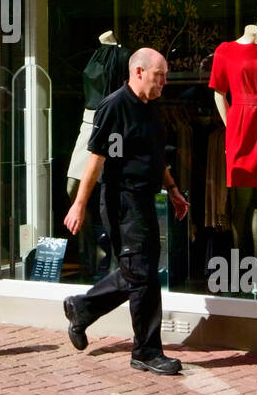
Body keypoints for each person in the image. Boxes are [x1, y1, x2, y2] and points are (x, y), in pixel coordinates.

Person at [61, 48, 190, 375]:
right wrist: (79, 203)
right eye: (159, 75)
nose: (164, 82)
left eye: (165, 76)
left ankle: (82, 307)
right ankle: (146, 351)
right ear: (138, 72)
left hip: (145, 200)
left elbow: (157, 156)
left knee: (138, 270)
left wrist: (173, 189)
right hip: (122, 202)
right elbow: (95, 161)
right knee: (143, 274)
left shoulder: (152, 109)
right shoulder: (114, 106)